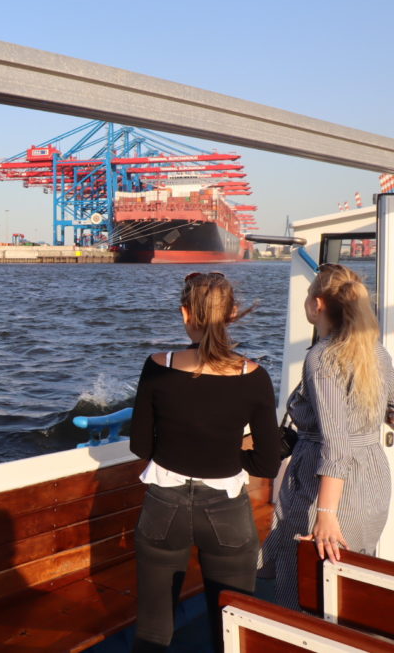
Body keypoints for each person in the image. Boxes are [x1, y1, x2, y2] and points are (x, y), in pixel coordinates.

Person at [129, 272, 281, 652]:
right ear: (231, 314)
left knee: (152, 629)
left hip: (164, 506)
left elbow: (139, 445)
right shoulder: (254, 376)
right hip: (226, 511)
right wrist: (230, 446)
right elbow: (266, 463)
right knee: (232, 624)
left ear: (185, 314)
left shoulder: (157, 365)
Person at [260, 263, 394, 610]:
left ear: (317, 304)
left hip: (329, 486)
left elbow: (335, 444)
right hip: (373, 480)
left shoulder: (323, 357)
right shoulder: (376, 352)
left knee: (305, 580)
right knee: (352, 579)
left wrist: (326, 512)